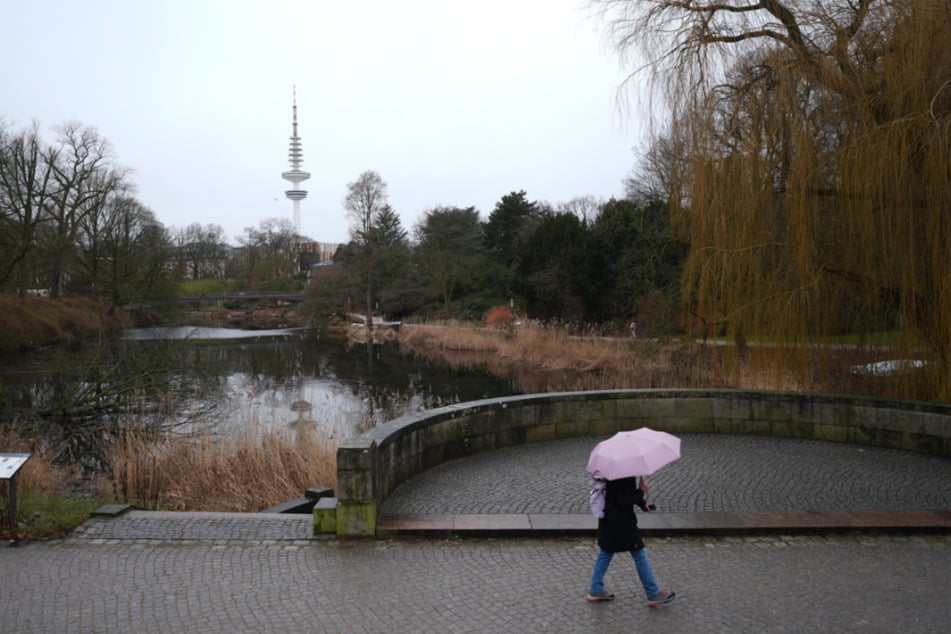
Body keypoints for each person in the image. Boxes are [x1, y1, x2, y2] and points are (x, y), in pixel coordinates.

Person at [586, 476, 676, 607]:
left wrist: (642, 503)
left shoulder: (616, 470)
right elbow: (624, 500)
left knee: (606, 551)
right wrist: (641, 490)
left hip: (609, 519)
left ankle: (595, 589)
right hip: (621, 522)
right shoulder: (623, 474)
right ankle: (652, 593)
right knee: (639, 552)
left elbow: (625, 493)